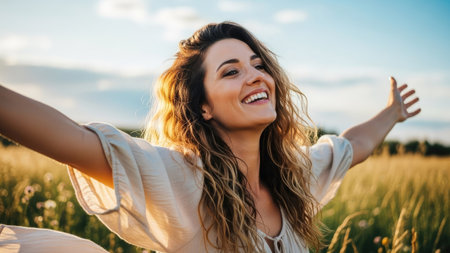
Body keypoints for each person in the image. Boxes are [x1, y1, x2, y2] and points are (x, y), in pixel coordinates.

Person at [0, 22, 420, 253]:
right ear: (204, 107)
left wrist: (392, 113)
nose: (256, 75)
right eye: (231, 70)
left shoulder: (295, 175)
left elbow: (352, 146)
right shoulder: (181, 178)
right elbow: (69, 138)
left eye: (258, 64)